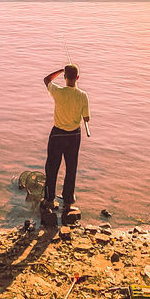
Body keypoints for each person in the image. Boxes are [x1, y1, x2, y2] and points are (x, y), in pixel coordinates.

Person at [42, 64, 90, 216]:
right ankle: (68, 201)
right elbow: (86, 117)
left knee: (52, 167)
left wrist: (60, 70)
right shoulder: (83, 95)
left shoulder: (58, 92)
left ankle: (49, 200)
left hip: (58, 135)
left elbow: (46, 79)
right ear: (77, 78)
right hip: (74, 136)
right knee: (71, 168)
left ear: (64, 78)